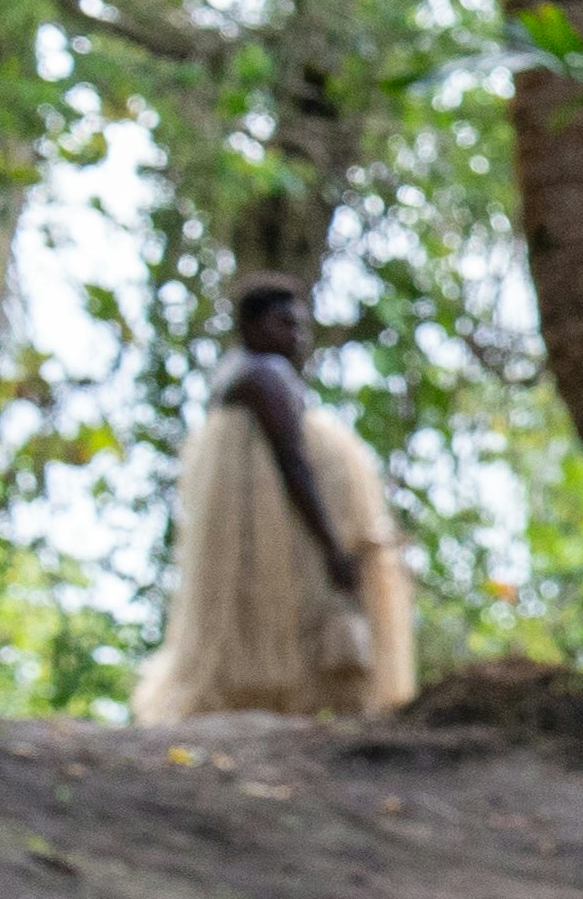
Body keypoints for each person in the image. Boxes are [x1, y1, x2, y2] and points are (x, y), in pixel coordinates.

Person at [131, 274, 416, 724]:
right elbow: (292, 462)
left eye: (300, 326)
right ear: (252, 325)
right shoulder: (266, 376)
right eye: (285, 324)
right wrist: (331, 546)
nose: (297, 337)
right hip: (287, 529)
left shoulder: (234, 375)